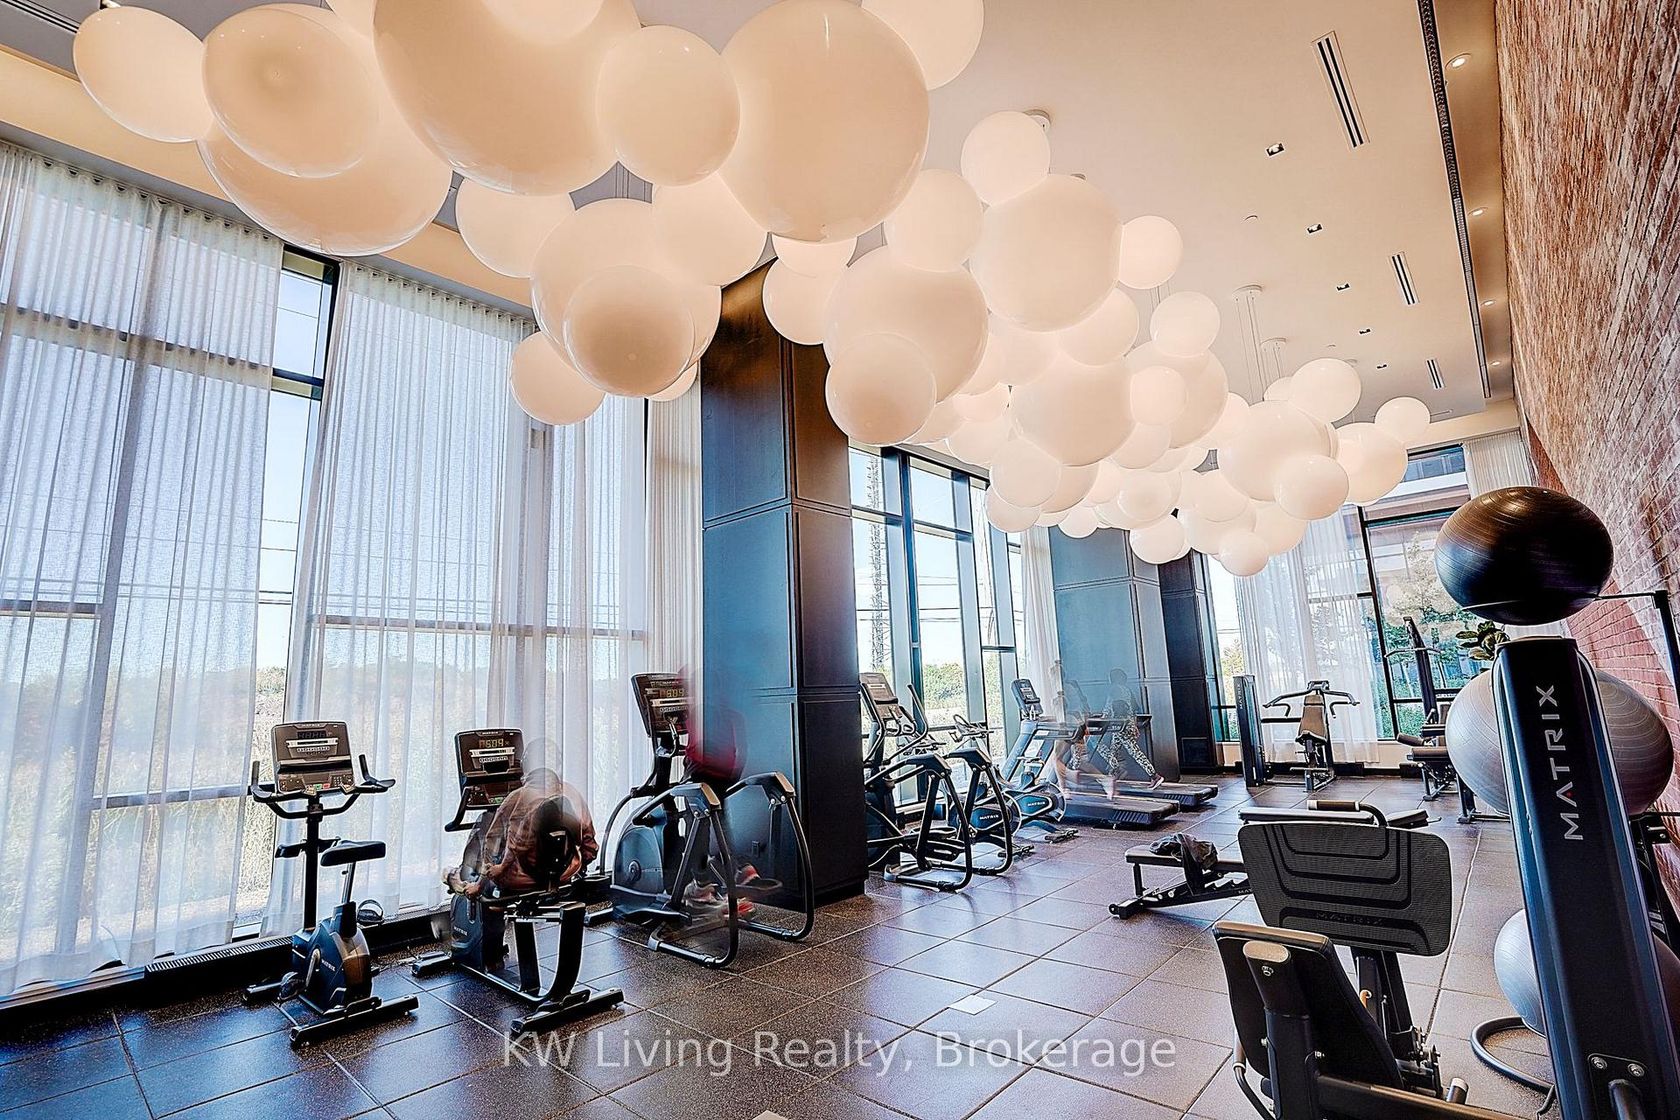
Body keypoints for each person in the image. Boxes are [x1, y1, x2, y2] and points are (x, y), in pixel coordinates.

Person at [445, 767, 597, 899]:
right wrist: (575, 868)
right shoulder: (572, 793)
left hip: (520, 881)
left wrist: (479, 885)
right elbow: (589, 844)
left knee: (485, 822)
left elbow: (495, 845)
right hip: (566, 875)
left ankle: (458, 876)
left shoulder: (516, 798)